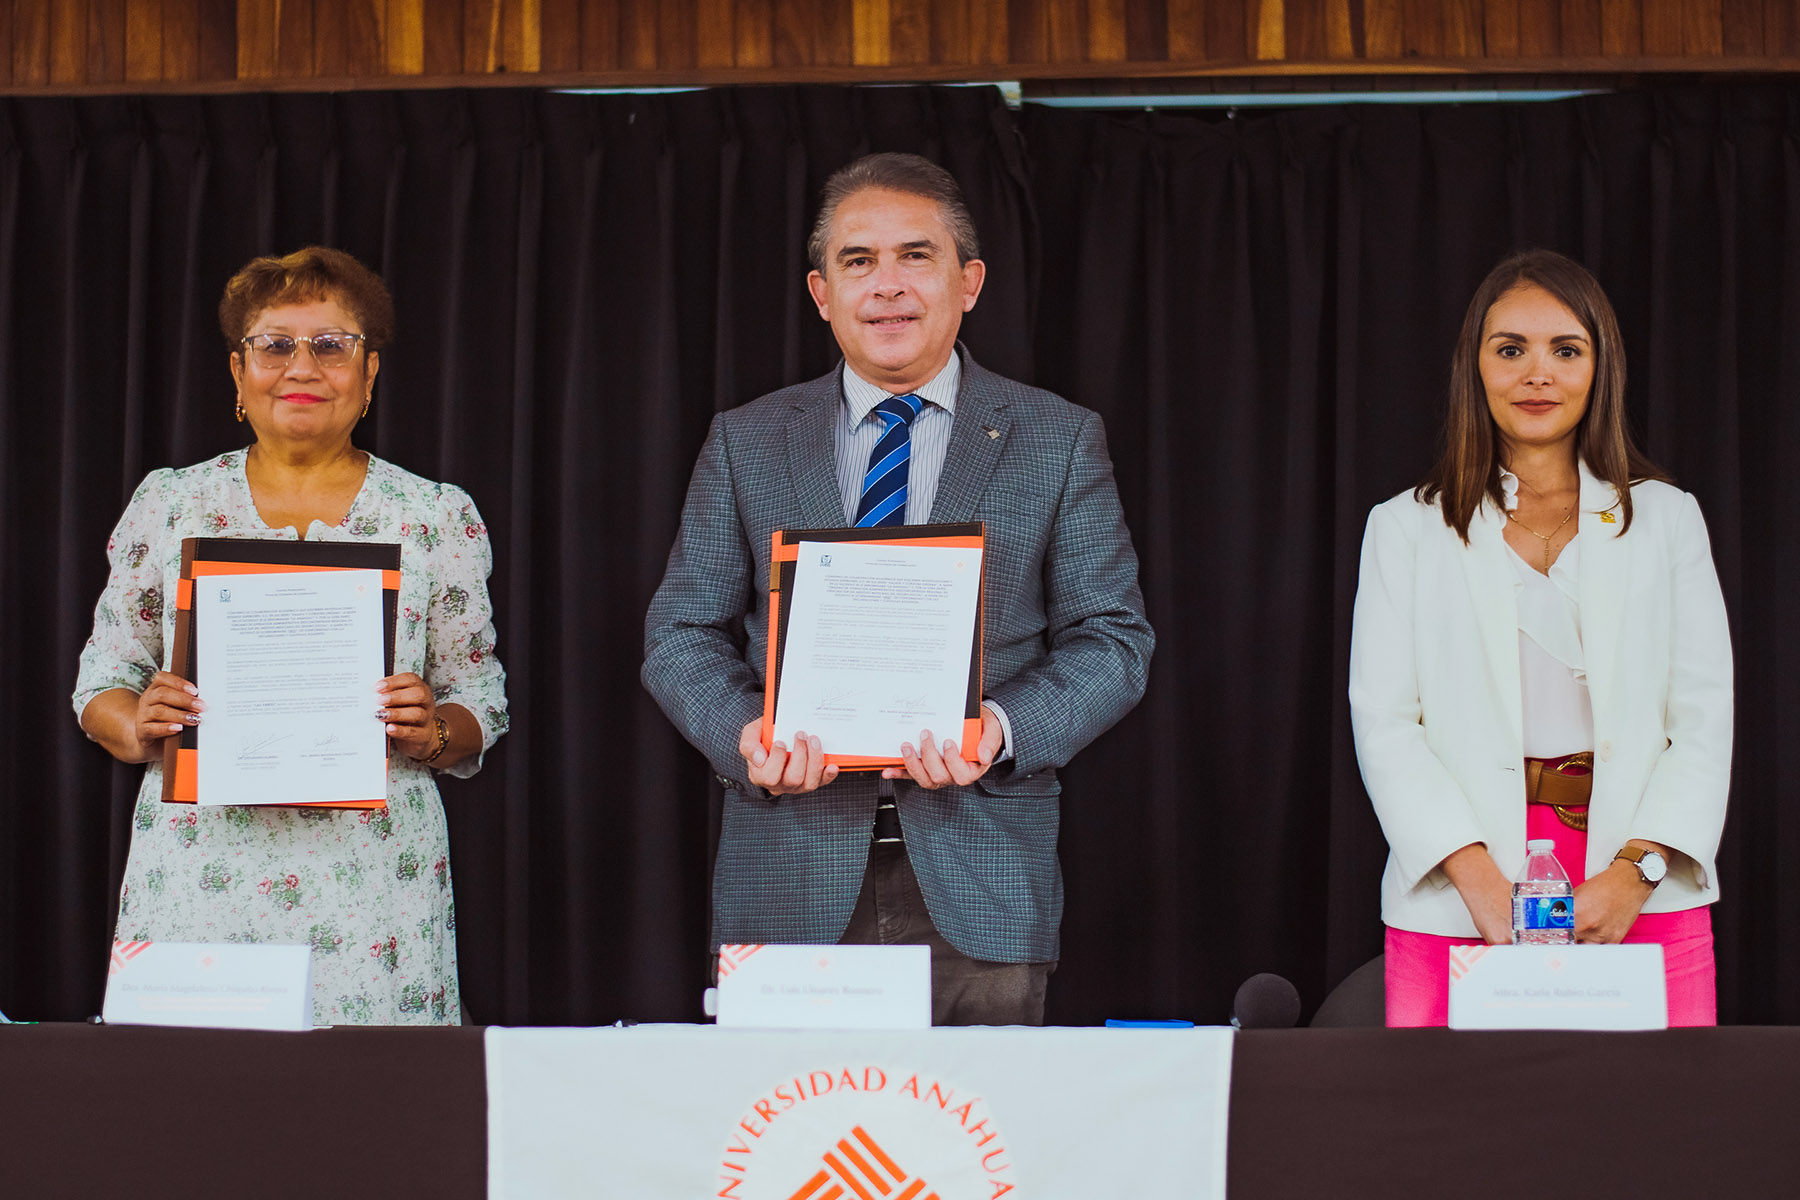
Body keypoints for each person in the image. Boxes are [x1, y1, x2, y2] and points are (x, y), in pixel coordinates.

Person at [643, 153, 1153, 1025]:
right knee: (790, 1153)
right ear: (820, 292)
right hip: (788, 876)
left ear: (970, 282)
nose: (887, 286)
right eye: (857, 261)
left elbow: (1114, 640)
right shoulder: (747, 442)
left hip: (983, 877)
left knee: (972, 1151)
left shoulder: (1058, 438)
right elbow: (680, 633)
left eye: (916, 256)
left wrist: (995, 731)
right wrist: (746, 734)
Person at [73, 246, 508, 1025]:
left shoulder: (435, 515)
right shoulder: (171, 504)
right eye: (274, 344)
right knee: (188, 1104)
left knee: (372, 1111)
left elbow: (479, 695)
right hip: (200, 871)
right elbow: (103, 675)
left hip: (373, 883)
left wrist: (432, 727)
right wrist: (136, 719)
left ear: (369, 374)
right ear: (238, 374)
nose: (300, 365)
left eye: (331, 344)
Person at [1349, 248, 1731, 1026]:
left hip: (1639, 878)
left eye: (1566, 349)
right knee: (1455, 1129)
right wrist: (1477, 879)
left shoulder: (1667, 520)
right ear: (1475, 367)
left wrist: (1637, 872)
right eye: (1510, 348)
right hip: (1461, 885)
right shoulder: (1405, 528)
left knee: (1665, 1129)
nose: (1537, 373)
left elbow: (1702, 719)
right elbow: (1385, 723)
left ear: (1601, 368)